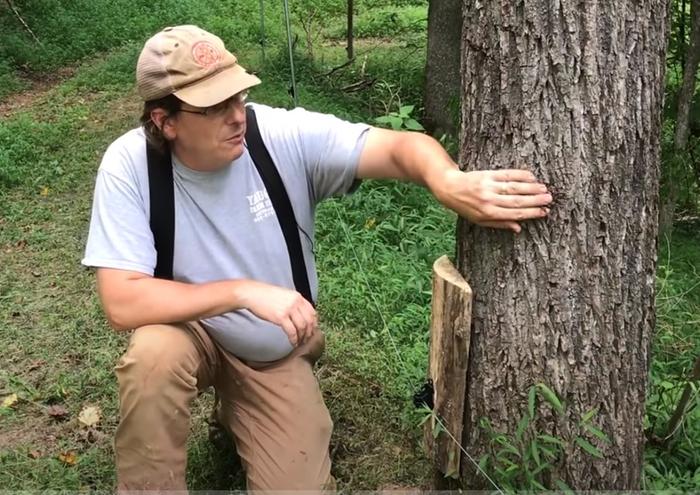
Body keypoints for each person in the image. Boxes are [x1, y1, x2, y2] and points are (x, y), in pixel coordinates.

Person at [82, 25, 553, 493]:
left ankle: (238, 408)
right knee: (153, 358)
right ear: (165, 121)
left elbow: (400, 147)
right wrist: (243, 292)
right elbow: (123, 303)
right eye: (214, 106)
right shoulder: (130, 166)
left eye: (238, 96)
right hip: (192, 334)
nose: (236, 116)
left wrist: (448, 181)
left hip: (270, 351)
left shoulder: (278, 136)